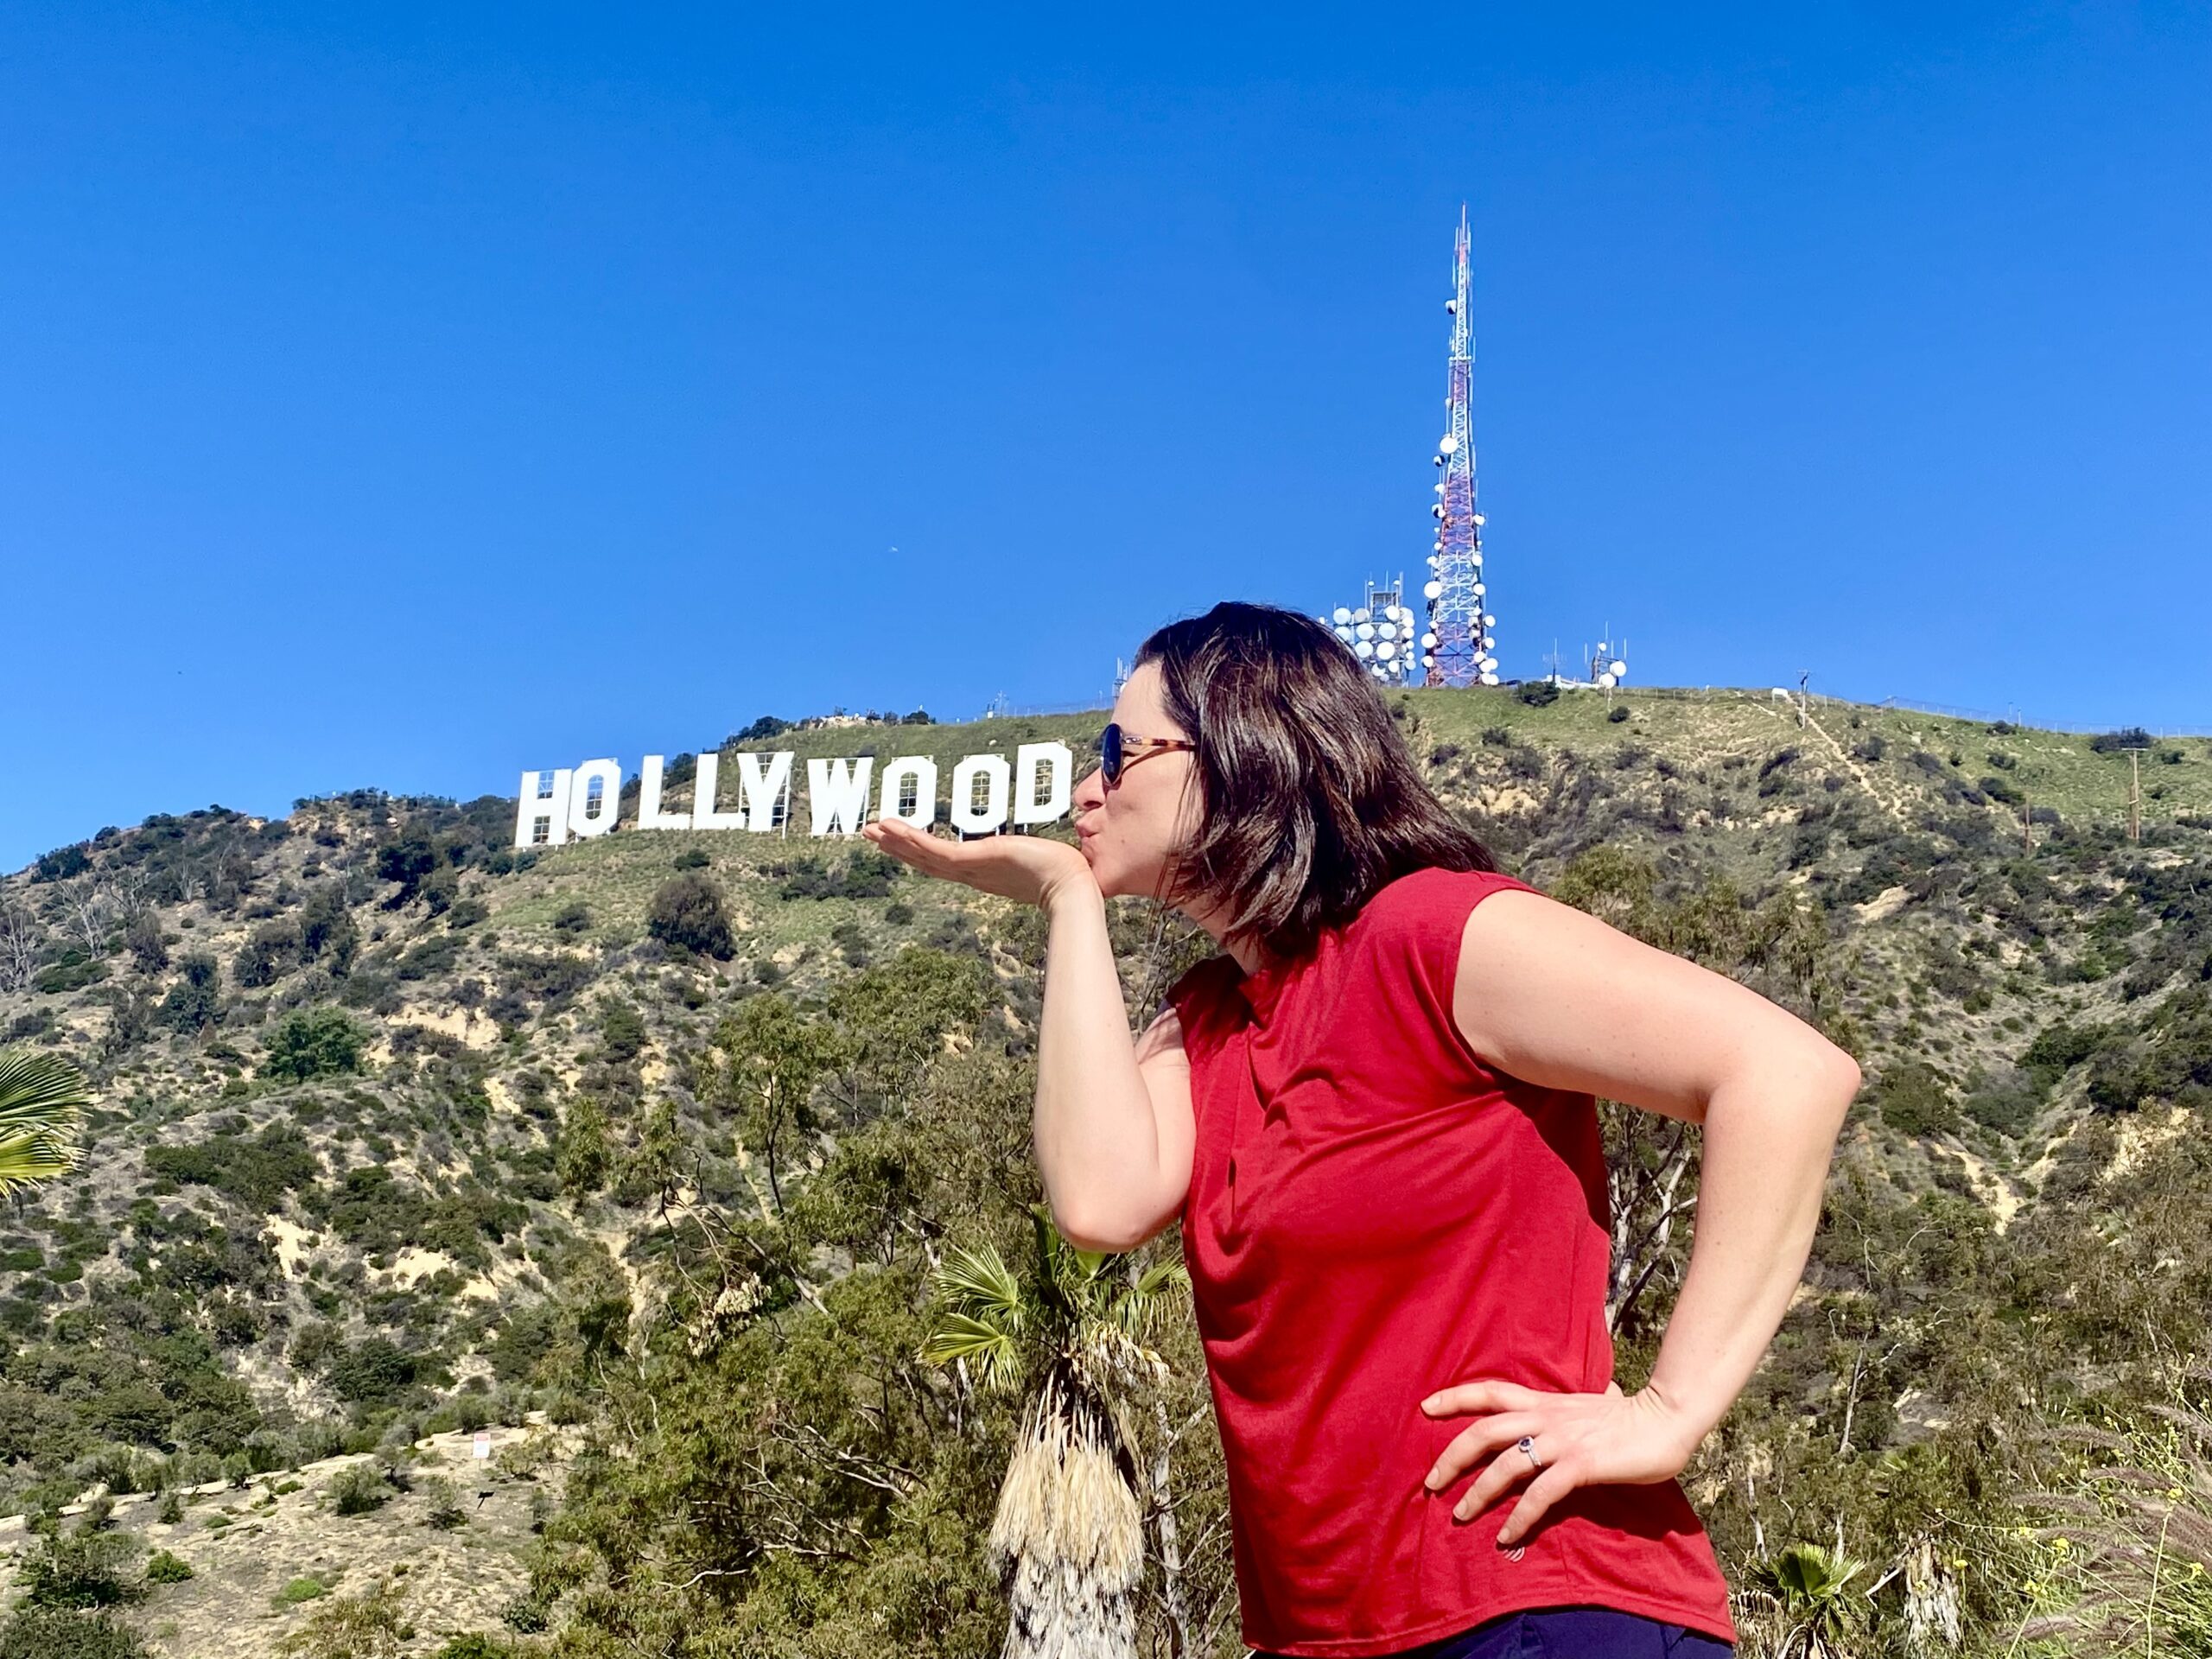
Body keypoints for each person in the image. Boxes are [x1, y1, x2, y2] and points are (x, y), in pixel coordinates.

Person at [862, 601, 1859, 1659]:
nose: (1085, 789)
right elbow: (1100, 1202)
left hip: (1538, 1607)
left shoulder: (1430, 936)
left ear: (1244, 747)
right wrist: (1068, 899)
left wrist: (1666, 1412)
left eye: (1119, 750)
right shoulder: (1204, 1021)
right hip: (1320, 1639)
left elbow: (1786, 1073)